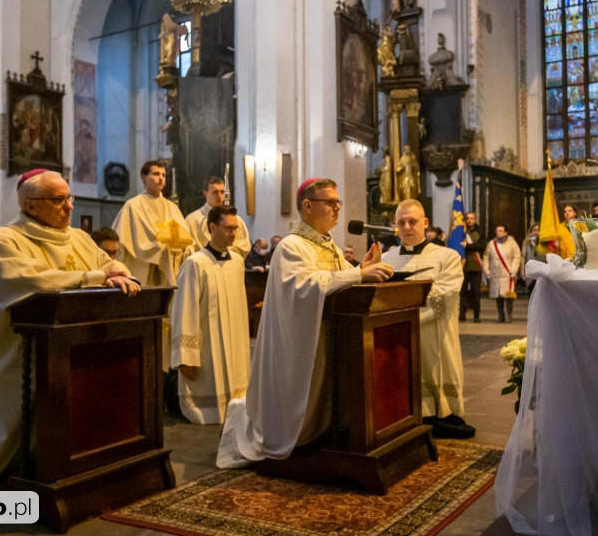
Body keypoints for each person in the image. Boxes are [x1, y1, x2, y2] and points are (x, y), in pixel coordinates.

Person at [0, 169, 139, 490]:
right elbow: (33, 281)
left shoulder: (78, 238)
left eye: (69, 198)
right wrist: (95, 277)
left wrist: (119, 274)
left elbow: (112, 267)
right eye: (58, 199)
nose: (69, 207)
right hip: (19, 354)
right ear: (31, 206)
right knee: (14, 427)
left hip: (75, 350)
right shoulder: (2, 241)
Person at [216, 178, 393, 468]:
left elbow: (339, 279)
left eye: (338, 203)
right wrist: (358, 275)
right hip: (298, 344)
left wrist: (362, 268)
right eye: (330, 203)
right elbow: (305, 286)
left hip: (327, 338)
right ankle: (293, 434)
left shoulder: (329, 246)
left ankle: (322, 431)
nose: (337, 209)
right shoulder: (292, 246)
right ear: (308, 206)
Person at [382, 199, 474, 439]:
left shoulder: (447, 256)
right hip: (396, 336)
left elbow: (445, 295)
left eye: (413, 221)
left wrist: (397, 312)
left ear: (425, 223)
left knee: (434, 374)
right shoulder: (385, 259)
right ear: (395, 225)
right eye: (401, 222)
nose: (407, 227)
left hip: (435, 336)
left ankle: (440, 414)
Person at [172, 206, 251, 424]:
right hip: (207, 344)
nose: (234, 233)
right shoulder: (195, 263)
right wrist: (185, 356)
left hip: (235, 339)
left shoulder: (237, 262)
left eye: (236, 228)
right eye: (228, 228)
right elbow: (184, 310)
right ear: (212, 227)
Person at [113, 160, 194, 285]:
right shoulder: (133, 206)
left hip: (171, 271)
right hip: (144, 269)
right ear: (144, 178)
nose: (161, 178)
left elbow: (187, 239)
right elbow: (122, 242)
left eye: (163, 175)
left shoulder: (172, 208)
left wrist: (184, 247)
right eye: (156, 174)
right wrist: (159, 246)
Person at [186, 176, 252, 258]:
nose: (219, 196)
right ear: (206, 193)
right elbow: (188, 248)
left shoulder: (235, 220)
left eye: (222, 192)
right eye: (215, 192)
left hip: (229, 263)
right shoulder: (192, 220)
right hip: (202, 264)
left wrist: (223, 252)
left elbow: (243, 245)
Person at [483, 225, 522, 324]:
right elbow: (486, 257)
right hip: (495, 274)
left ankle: (509, 314)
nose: (498, 232)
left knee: (509, 296)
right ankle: (500, 315)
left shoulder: (512, 243)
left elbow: (517, 257)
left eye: (500, 231)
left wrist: (514, 270)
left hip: (508, 274)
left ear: (505, 232)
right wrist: (487, 271)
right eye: (497, 231)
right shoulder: (492, 244)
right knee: (498, 296)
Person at [459, 211, 485, 323]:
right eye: (468, 218)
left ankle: (476, 316)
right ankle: (462, 315)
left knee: (476, 293)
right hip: (463, 266)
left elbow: (481, 246)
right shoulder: (461, 231)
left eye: (472, 218)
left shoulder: (479, 231)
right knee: (463, 292)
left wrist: (467, 246)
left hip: (475, 266)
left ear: (475, 219)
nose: (470, 220)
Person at [520, 223, 545, 295]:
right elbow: (523, 257)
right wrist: (522, 272)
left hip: (541, 272)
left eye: (538, 230)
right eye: (534, 230)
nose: (536, 232)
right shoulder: (526, 242)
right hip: (530, 272)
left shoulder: (544, 242)